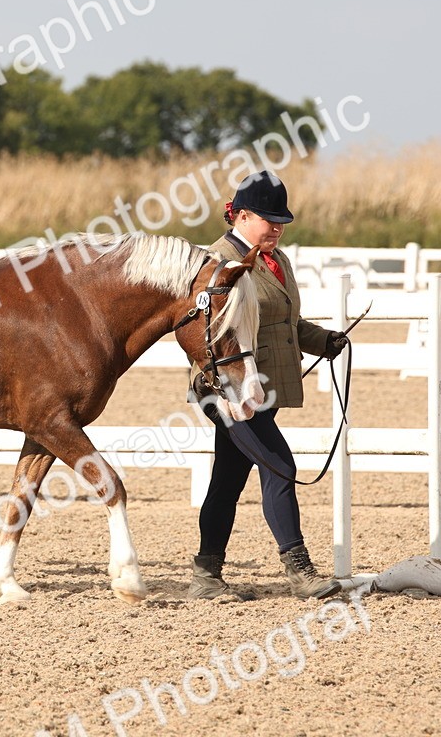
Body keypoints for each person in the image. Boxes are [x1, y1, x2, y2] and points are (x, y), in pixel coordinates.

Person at [187, 171, 348, 600]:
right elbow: (213, 334)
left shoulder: (277, 259)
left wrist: (324, 341)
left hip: (266, 388)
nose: (277, 227)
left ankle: (206, 575)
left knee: (227, 479)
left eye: (281, 221)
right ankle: (301, 572)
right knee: (280, 466)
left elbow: (286, 324)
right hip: (229, 390)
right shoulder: (217, 262)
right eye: (268, 219)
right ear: (240, 216)